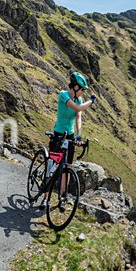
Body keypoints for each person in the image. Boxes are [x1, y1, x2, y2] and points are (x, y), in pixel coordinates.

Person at [42, 71, 97, 206]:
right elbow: (77, 108)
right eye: (82, 89)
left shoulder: (78, 99)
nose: (82, 92)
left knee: (67, 167)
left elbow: (78, 116)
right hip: (59, 134)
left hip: (70, 136)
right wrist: (91, 101)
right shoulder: (63, 95)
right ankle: (45, 198)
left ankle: (62, 197)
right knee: (51, 167)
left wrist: (78, 134)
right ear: (75, 87)